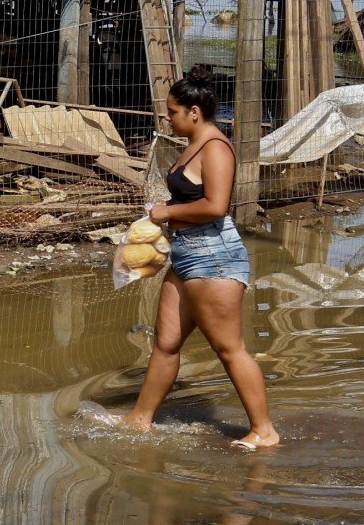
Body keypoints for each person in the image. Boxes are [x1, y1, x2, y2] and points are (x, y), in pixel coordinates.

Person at [115, 66, 280, 451]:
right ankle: (139, 419)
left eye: (172, 113)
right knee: (166, 343)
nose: (168, 119)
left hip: (214, 258)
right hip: (187, 256)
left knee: (229, 349)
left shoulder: (216, 148)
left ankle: (264, 431)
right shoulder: (192, 143)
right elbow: (189, 199)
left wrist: (166, 213)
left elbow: (216, 205)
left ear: (193, 111)